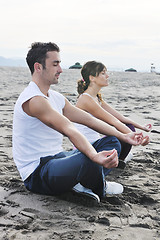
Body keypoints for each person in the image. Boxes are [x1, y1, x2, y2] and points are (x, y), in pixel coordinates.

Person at [12, 42, 144, 202]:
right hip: (38, 172)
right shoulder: (33, 100)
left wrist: (125, 136)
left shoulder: (56, 97)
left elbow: (89, 120)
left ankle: (83, 181)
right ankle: (98, 185)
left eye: (59, 64)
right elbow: (68, 128)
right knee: (87, 159)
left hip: (59, 158)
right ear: (38, 67)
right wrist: (93, 156)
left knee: (111, 141)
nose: (60, 69)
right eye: (55, 64)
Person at [75, 61, 151, 164]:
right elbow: (113, 121)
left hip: (96, 144)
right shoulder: (85, 99)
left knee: (128, 126)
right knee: (121, 133)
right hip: (87, 149)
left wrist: (142, 128)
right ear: (92, 77)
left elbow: (121, 118)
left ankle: (118, 161)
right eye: (103, 73)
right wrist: (138, 139)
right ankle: (115, 162)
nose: (107, 75)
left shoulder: (96, 98)